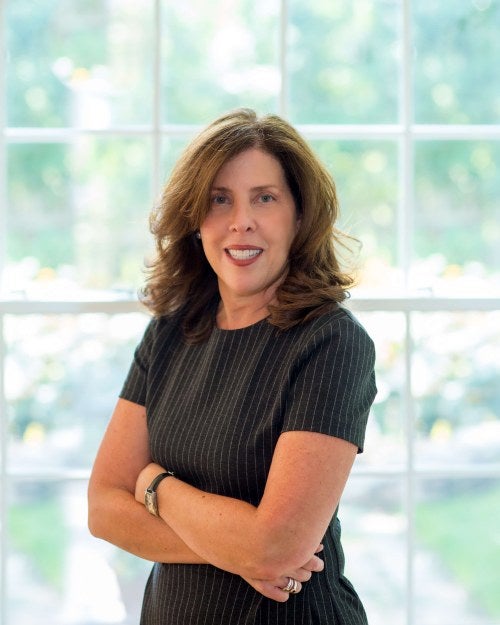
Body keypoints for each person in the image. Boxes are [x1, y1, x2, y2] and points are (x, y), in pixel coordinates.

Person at [88, 108, 377, 625]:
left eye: (264, 198)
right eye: (219, 200)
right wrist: (245, 550)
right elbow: (103, 509)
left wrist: (155, 485)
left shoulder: (332, 343)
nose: (241, 220)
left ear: (299, 217)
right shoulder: (170, 333)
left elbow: (278, 545)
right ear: (196, 222)